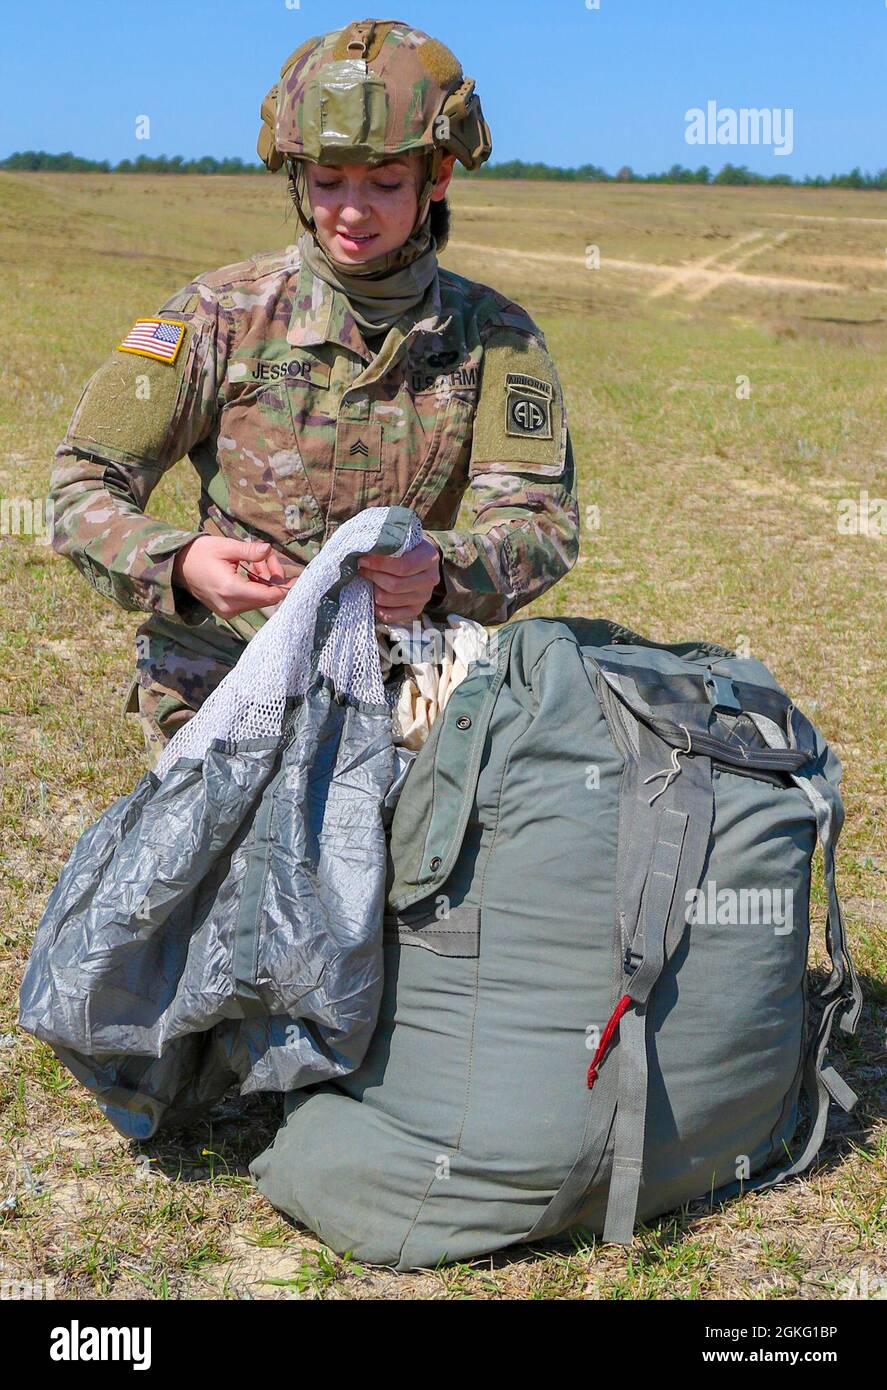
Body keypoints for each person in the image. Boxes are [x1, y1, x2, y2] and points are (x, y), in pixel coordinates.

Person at [48, 17, 581, 763]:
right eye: (328, 182)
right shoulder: (219, 315)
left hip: (404, 679)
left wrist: (440, 570)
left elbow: (541, 525)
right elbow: (81, 487)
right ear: (296, 179)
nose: (352, 211)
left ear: (438, 176)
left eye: (385, 183)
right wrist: (183, 564)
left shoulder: (495, 337)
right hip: (223, 675)